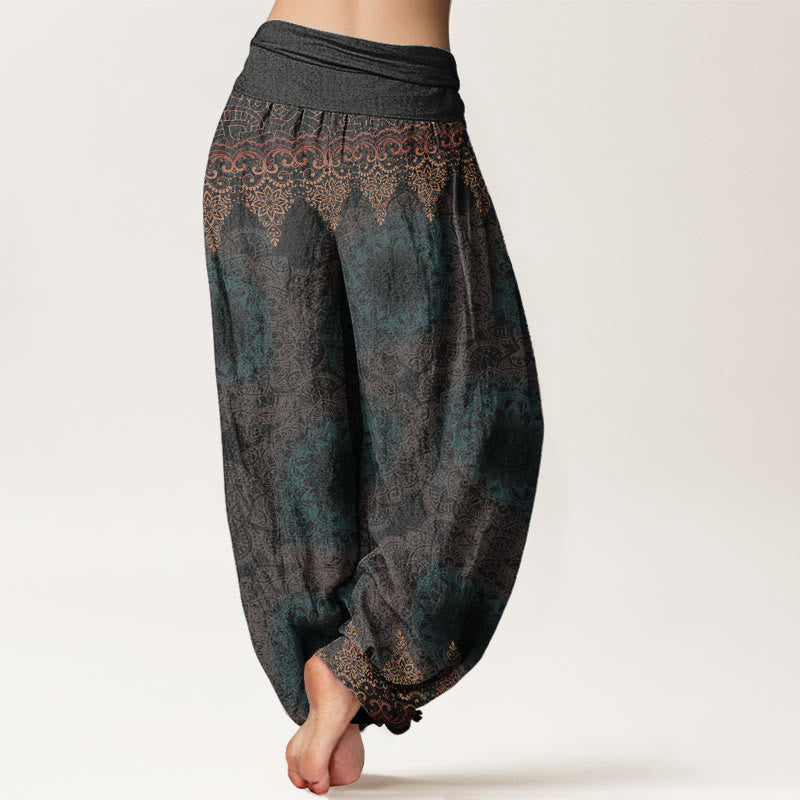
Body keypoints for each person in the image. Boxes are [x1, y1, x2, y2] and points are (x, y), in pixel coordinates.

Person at [202, 0, 545, 794]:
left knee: (293, 440)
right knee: (471, 417)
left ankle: (332, 692)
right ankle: (345, 676)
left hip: (259, 127)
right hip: (402, 134)